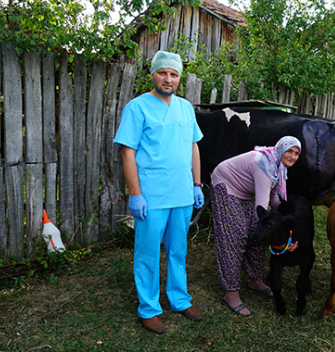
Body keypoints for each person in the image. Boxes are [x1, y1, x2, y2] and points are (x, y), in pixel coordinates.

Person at [113, 50, 205, 334]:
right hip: (151, 195)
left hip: (182, 195)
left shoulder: (185, 108)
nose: (168, 79)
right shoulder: (137, 107)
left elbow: (193, 146)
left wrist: (197, 184)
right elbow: (128, 152)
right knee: (148, 252)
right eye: (162, 72)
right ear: (152, 74)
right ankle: (149, 308)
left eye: (174, 74)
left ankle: (179, 299)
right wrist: (135, 193)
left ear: (179, 78)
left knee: (178, 249)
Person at [211, 136, 301, 316]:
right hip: (226, 184)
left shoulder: (278, 167)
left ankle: (255, 280)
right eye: (289, 151)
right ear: (280, 149)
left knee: (255, 233)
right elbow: (262, 209)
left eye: (296, 153)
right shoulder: (265, 166)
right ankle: (231, 293)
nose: (292, 156)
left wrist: (287, 228)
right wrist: (279, 243)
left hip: (246, 191)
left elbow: (274, 200)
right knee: (235, 236)